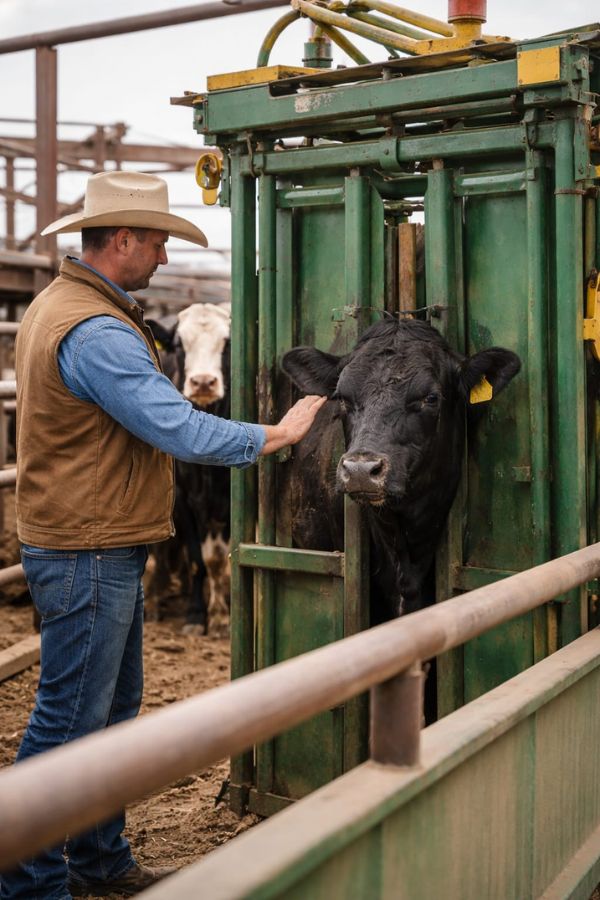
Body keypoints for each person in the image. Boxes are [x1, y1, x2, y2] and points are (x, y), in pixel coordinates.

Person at [1, 171, 326, 900]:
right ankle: (28, 882)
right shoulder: (97, 331)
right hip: (88, 546)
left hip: (92, 538)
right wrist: (276, 433)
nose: (164, 258)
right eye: (155, 242)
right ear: (120, 240)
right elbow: (173, 424)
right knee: (69, 717)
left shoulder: (67, 306)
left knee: (106, 713)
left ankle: (97, 860)